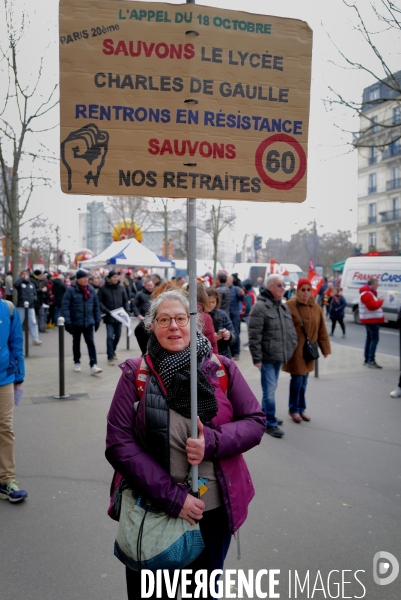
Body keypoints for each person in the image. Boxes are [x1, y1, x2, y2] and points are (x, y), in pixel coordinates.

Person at [106, 289, 265, 599]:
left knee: (202, 594)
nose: (174, 326)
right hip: (153, 509)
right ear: (151, 326)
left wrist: (213, 442)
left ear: (195, 324)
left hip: (212, 510)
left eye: (181, 318)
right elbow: (118, 443)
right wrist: (173, 498)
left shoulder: (221, 369)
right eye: (164, 319)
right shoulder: (136, 374)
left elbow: (255, 422)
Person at [248, 274, 298, 438]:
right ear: (270, 287)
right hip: (267, 357)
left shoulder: (282, 307)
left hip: (278, 356)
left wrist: (291, 347)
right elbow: (254, 335)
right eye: (279, 285)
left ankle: (265, 415)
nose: (283, 288)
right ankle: (269, 422)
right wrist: (257, 358)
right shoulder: (260, 307)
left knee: (271, 388)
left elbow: (291, 331)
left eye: (284, 285)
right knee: (269, 391)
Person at [283, 279, 331, 423]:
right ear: (298, 290)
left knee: (304, 381)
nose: (306, 292)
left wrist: (325, 349)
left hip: (309, 351)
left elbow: (322, 329)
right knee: (297, 380)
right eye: (303, 289)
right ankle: (293, 409)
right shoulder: (290, 305)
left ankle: (301, 408)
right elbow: (283, 328)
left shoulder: (316, 307)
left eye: (308, 289)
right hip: (296, 351)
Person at [0, 299, 27, 502]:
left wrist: (19, 374)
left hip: (4, 377)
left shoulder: (7, 309)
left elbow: (16, 342)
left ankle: (6, 479)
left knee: (5, 427)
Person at [61, 269, 102, 375]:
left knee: (91, 343)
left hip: (89, 322)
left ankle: (93, 364)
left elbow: (96, 306)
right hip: (76, 322)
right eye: (83, 278)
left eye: (87, 278)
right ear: (78, 279)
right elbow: (65, 307)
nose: (86, 280)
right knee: (76, 343)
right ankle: (77, 361)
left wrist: (97, 320)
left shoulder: (91, 290)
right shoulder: (71, 290)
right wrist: (68, 322)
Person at [98, 270, 130, 365]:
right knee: (109, 336)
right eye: (114, 277)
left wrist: (126, 311)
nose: (116, 278)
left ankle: (113, 350)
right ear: (109, 278)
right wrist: (106, 310)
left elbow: (125, 301)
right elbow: (99, 301)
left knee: (118, 335)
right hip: (109, 316)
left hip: (119, 317)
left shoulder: (121, 288)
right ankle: (110, 356)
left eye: (117, 277)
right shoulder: (103, 289)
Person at [359, 277, 385, 369]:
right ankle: (371, 360)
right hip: (371, 319)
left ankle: (367, 359)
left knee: (370, 338)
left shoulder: (368, 293)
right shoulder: (367, 294)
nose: (377, 286)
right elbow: (372, 306)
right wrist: (380, 301)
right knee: (374, 339)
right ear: (372, 284)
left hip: (369, 319)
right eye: (377, 284)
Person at [13, 270, 42, 346]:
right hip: (21, 305)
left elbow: (34, 293)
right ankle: (16, 339)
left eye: (26, 274)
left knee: (33, 322)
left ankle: (35, 339)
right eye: (23, 274)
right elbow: (15, 284)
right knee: (19, 322)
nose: (25, 275)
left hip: (31, 306)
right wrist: (21, 279)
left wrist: (34, 299)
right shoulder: (20, 284)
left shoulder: (31, 284)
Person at [206, 287, 236, 358]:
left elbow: (234, 336)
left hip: (223, 354)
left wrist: (229, 336)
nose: (211, 305)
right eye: (208, 302)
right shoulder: (199, 316)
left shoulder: (222, 314)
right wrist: (211, 338)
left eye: (213, 302)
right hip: (206, 356)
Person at [132, 277, 154, 354]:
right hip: (144, 319)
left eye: (151, 285)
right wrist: (138, 315)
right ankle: (144, 352)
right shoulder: (139, 294)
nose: (150, 287)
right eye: (148, 285)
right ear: (144, 285)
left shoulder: (155, 293)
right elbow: (134, 305)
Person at [226, 276, 244, 360]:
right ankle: (230, 351)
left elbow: (241, 299)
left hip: (235, 314)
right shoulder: (223, 289)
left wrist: (242, 294)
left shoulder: (236, 289)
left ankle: (236, 352)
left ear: (231, 281)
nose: (226, 282)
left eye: (227, 280)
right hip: (227, 314)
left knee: (235, 332)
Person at [241, 279, 257, 352]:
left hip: (249, 314)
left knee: (250, 330)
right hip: (253, 313)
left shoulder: (248, 295)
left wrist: (244, 314)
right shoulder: (253, 293)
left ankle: (250, 344)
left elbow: (248, 306)